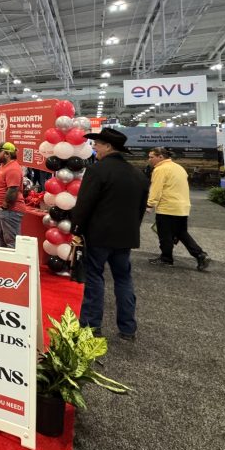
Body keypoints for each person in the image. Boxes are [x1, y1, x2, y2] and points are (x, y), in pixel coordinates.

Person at [70, 128, 148, 342]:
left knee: (94, 278)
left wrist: (76, 230)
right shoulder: (137, 173)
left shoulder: (97, 171)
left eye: (97, 144)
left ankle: (91, 325)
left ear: (108, 146)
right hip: (125, 237)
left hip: (99, 236)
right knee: (123, 279)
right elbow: (141, 209)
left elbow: (84, 205)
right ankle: (128, 328)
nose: (94, 147)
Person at [146, 148, 211, 270]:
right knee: (181, 233)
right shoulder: (179, 168)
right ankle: (200, 255)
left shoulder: (160, 169)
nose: (149, 159)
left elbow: (156, 189)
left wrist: (150, 204)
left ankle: (166, 259)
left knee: (164, 234)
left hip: (167, 207)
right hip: (182, 207)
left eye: (151, 157)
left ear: (160, 157)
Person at [0, 141, 25, 249]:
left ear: (7, 154)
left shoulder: (13, 168)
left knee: (11, 241)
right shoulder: (3, 165)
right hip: (0, 208)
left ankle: (14, 264)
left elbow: (13, 190)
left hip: (9, 210)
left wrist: (4, 206)